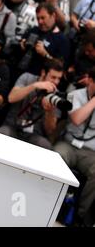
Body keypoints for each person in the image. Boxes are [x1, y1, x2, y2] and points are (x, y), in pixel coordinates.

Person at [54, 67, 95, 227]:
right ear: (90, 80)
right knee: (57, 156)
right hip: (69, 145)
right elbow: (77, 118)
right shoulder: (75, 94)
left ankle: (80, 216)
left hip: (89, 152)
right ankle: (51, 202)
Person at [0, 59, 65, 149]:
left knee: (46, 146)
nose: (56, 82)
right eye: (53, 77)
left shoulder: (56, 96)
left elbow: (50, 130)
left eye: (59, 78)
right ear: (43, 73)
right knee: (1, 133)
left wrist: (50, 111)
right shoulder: (27, 78)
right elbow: (11, 98)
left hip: (34, 135)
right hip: (12, 126)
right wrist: (34, 86)